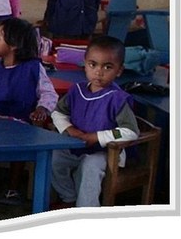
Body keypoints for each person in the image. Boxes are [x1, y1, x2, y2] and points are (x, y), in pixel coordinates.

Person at [0, 18, 58, 205]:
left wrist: (42, 109)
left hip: (21, 121)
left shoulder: (33, 68)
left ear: (14, 44)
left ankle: (13, 189)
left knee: (22, 139)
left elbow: (48, 93)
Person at [50, 36, 139, 208]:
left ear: (119, 70)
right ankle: (68, 197)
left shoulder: (117, 99)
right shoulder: (77, 90)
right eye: (93, 65)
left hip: (105, 153)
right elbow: (58, 113)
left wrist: (96, 137)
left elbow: (130, 132)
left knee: (89, 167)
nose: (99, 72)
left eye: (107, 67)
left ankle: (86, 211)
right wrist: (70, 129)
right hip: (75, 145)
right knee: (53, 158)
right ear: (84, 64)